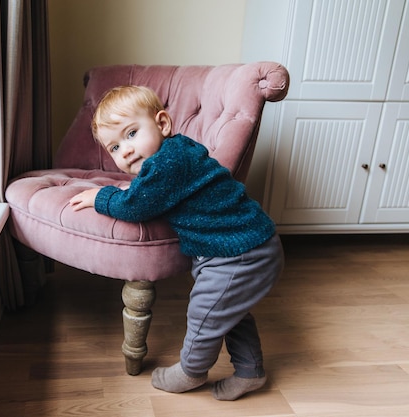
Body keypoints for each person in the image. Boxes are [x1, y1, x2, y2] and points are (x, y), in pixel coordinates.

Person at [69, 85, 284, 401]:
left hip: (240, 253)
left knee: (204, 316)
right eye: (114, 148)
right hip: (247, 246)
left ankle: (191, 372)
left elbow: (134, 206)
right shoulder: (174, 153)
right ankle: (250, 372)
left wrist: (99, 196)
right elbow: (145, 192)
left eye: (131, 134)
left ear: (163, 124)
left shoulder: (168, 162)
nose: (125, 151)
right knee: (229, 314)